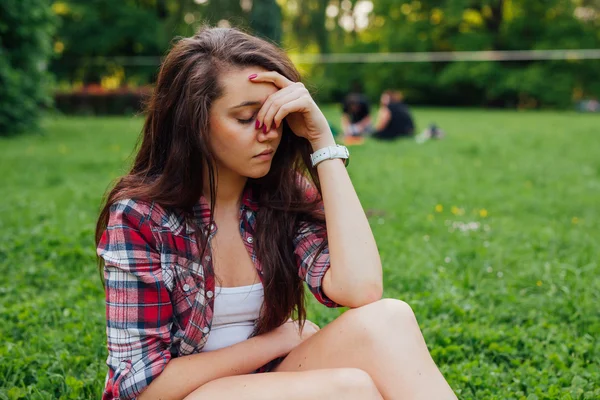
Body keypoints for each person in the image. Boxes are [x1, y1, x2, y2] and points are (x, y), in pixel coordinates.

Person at [96, 26, 457, 400]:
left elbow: (359, 287)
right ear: (194, 123)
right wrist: (275, 341)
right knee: (350, 389)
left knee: (389, 319)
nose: (268, 131)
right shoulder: (141, 216)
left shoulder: (280, 196)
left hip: (268, 381)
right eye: (246, 117)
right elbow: (140, 388)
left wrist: (323, 142)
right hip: (183, 394)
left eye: (275, 114)